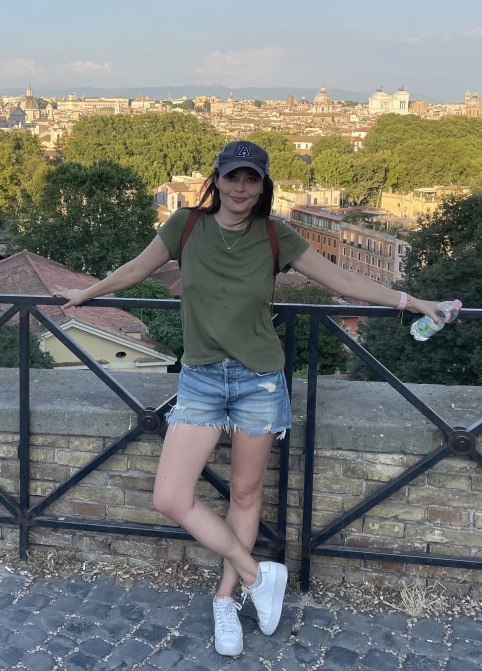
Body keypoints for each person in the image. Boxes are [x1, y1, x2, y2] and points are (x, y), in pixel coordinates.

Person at [62, 139, 452, 657]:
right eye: (233, 177)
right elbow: (136, 269)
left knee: (245, 495)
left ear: (263, 185)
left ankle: (227, 600)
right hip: (201, 378)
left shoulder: (276, 235)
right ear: (217, 179)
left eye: (252, 180)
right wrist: (83, 296)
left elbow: (343, 278)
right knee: (171, 496)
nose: (241, 188)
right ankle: (256, 574)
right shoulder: (186, 225)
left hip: (260, 379)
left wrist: (412, 301)